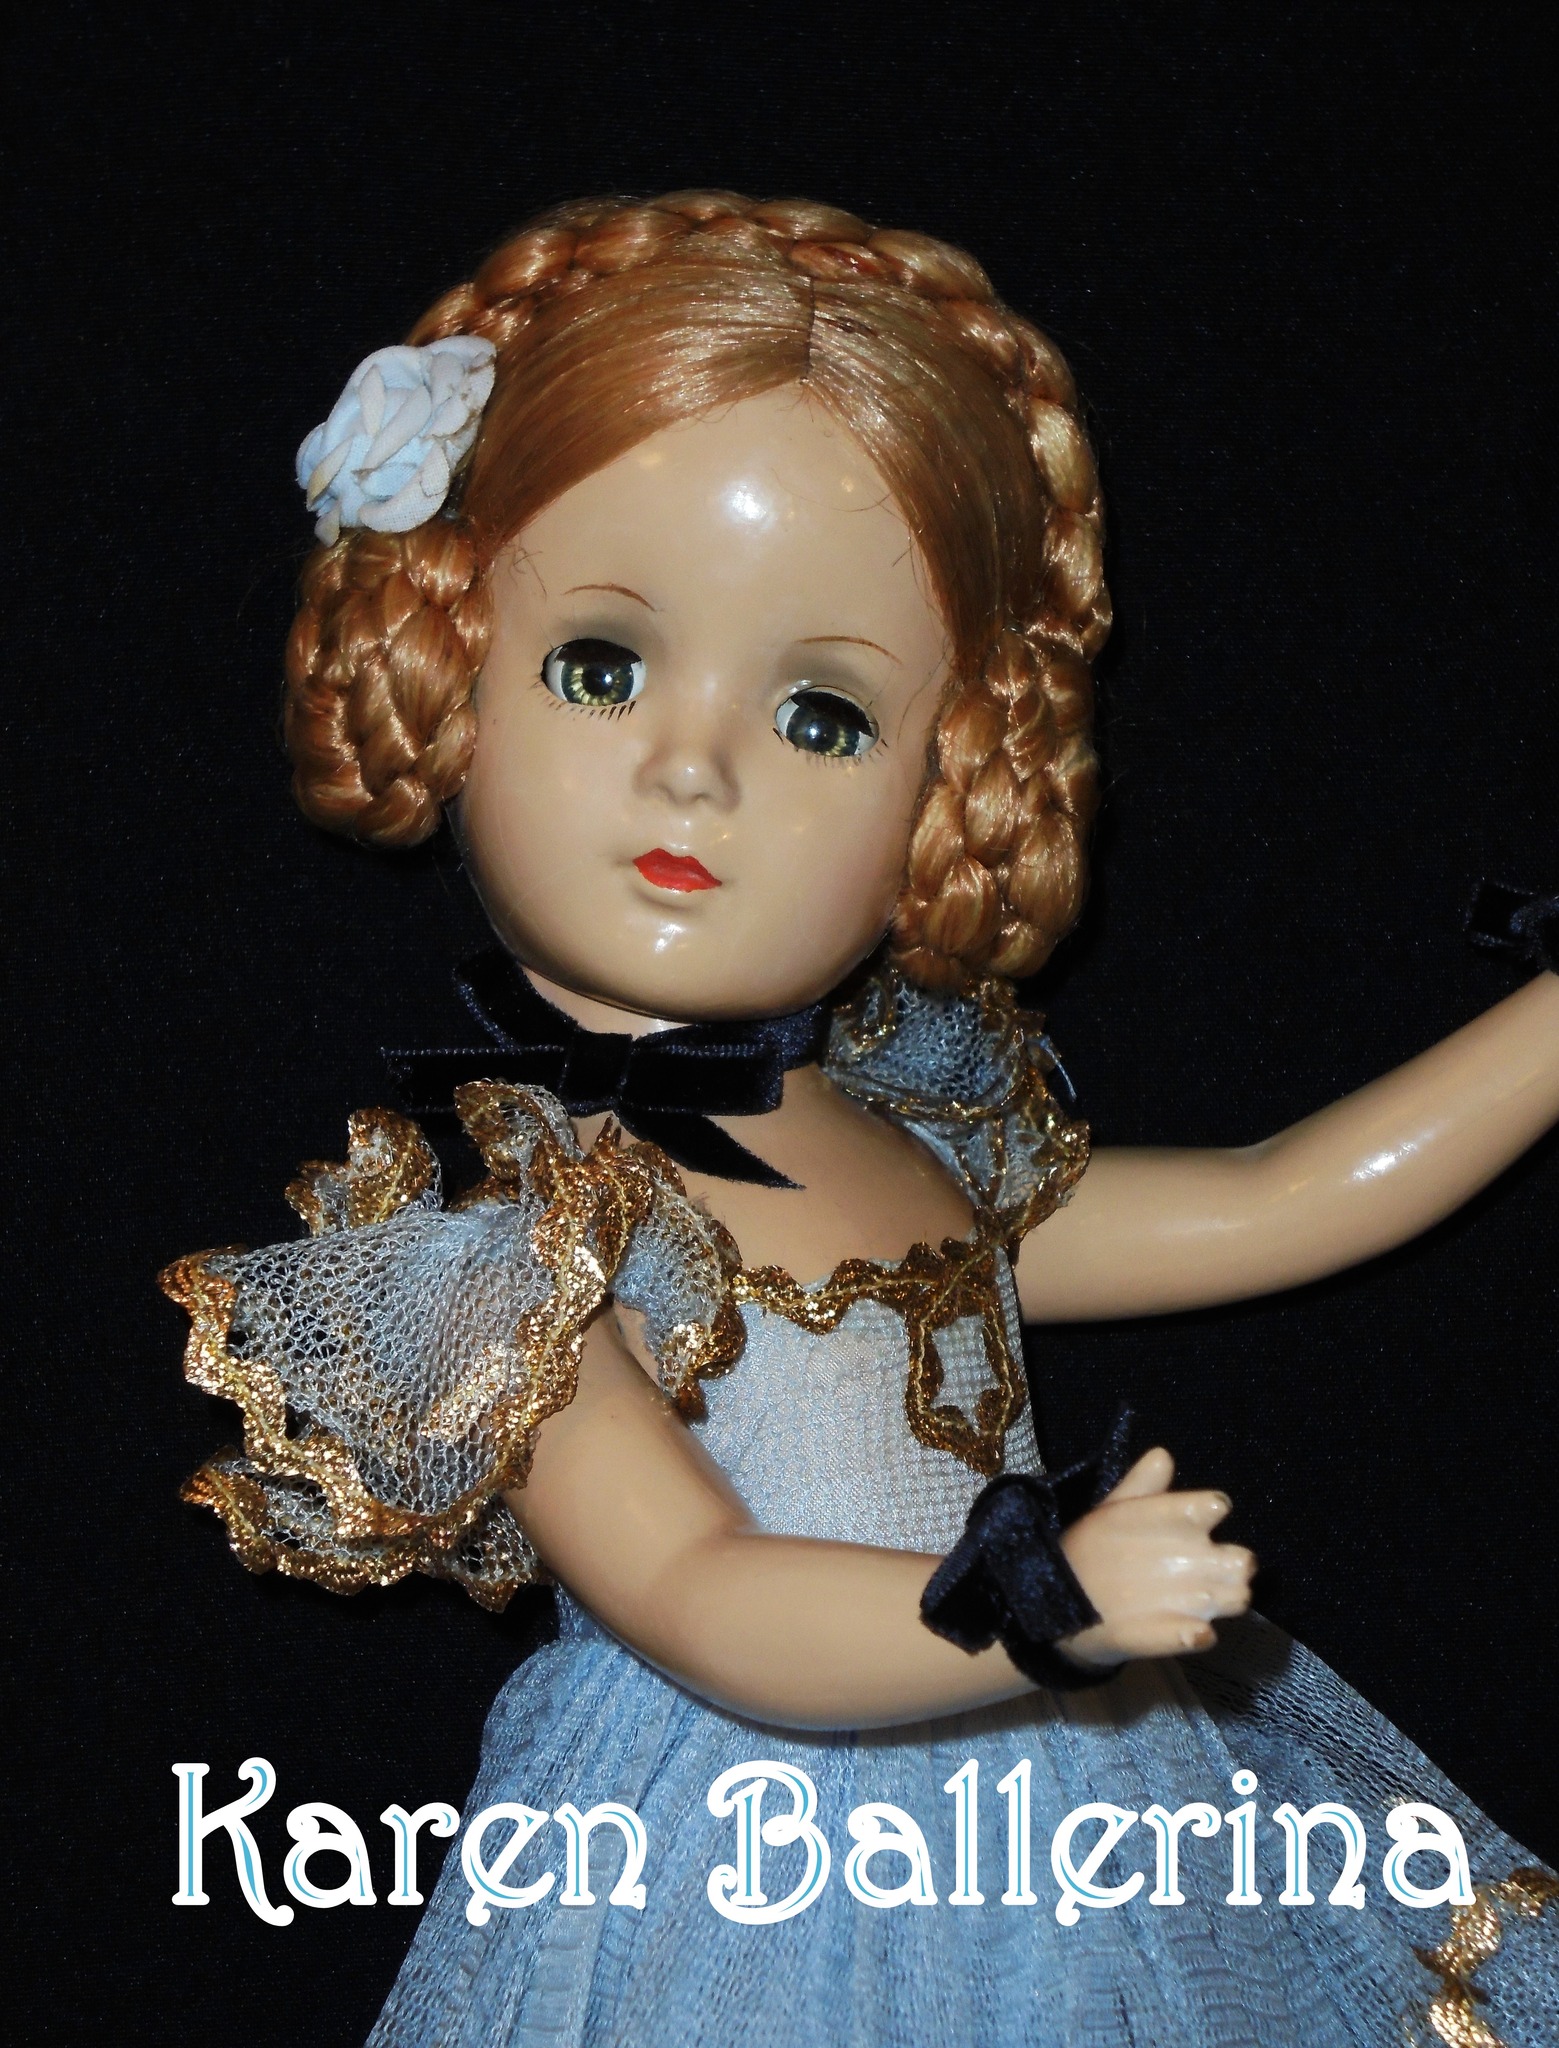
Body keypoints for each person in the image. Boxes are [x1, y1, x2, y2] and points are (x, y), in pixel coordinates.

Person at [165, 190, 1559, 2046]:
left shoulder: (925, 1145)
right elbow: (699, 1588)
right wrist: (1029, 1603)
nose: (694, 767)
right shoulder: (516, 1252)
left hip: (1068, 1815)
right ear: (446, 674)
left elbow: (1278, 1194)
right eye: (602, 667)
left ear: (948, 783)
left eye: (822, 715)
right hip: (734, 1871)